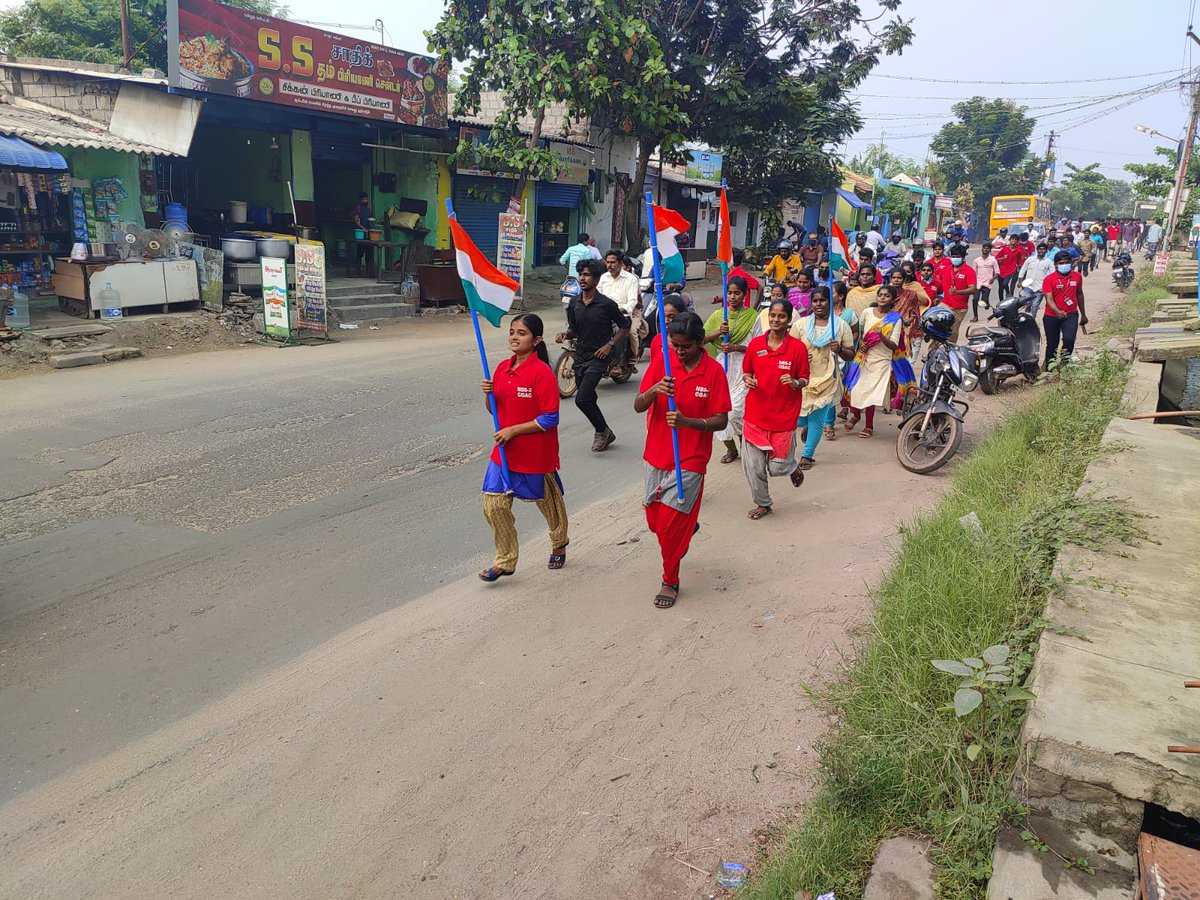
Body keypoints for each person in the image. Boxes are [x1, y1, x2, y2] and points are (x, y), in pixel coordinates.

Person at [635, 311, 731, 609]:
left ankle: (670, 578)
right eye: (674, 345)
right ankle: (685, 530)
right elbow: (638, 405)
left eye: (685, 346)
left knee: (668, 528)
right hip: (656, 454)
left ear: (700, 342)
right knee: (655, 522)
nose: (678, 351)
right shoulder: (662, 363)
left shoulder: (713, 372)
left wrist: (689, 422)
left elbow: (720, 420)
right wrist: (654, 390)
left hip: (690, 459)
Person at [478, 314, 569, 582]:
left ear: (536, 340)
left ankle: (559, 540)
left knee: (549, 504)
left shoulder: (541, 373)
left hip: (535, 454)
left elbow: (551, 418)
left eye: (522, 333)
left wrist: (514, 430)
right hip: (504, 453)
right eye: (512, 332)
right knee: (493, 505)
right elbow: (492, 410)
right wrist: (488, 394)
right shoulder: (501, 369)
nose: (514, 337)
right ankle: (505, 560)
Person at [740, 299, 810, 519]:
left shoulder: (797, 349)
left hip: (784, 417)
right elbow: (747, 371)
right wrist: (748, 379)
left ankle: (792, 467)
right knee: (754, 467)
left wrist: (795, 382)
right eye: (772, 315)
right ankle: (763, 503)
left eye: (781, 316)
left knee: (777, 467)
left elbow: (805, 379)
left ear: (789, 320)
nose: (775, 320)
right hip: (754, 415)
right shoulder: (755, 345)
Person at [556, 258, 631, 452]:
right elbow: (574, 329)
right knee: (588, 398)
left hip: (599, 357)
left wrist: (610, 345)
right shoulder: (574, 303)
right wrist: (565, 334)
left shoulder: (606, 304)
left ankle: (601, 431)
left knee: (582, 399)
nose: (582, 278)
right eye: (581, 274)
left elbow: (625, 326)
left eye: (587, 275)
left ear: (596, 280)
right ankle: (606, 431)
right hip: (581, 356)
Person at [843, 284, 916, 438]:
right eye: (880, 295)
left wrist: (881, 335)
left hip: (881, 360)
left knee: (871, 393)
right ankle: (856, 415)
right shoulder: (867, 312)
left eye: (887, 296)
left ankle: (869, 426)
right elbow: (862, 333)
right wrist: (862, 344)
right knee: (855, 388)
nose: (883, 298)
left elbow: (894, 344)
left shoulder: (895, 319)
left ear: (893, 299)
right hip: (864, 356)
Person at [795, 285, 855, 468]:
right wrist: (801, 356)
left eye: (823, 300)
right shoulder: (801, 325)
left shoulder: (840, 325)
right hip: (803, 378)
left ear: (831, 301)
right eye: (815, 300)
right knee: (800, 418)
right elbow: (788, 351)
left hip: (828, 378)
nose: (818, 304)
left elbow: (851, 354)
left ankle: (807, 455)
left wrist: (840, 349)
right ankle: (808, 426)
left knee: (817, 418)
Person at [703, 275, 757, 464]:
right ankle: (731, 449)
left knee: (735, 412)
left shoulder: (752, 316)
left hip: (744, 368)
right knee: (717, 412)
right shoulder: (719, 315)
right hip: (721, 366)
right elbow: (700, 339)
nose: (732, 297)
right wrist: (719, 332)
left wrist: (736, 348)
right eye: (729, 293)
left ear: (744, 294)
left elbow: (760, 347)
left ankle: (745, 447)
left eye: (737, 293)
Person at [1041, 251, 1088, 369]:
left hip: (1071, 315)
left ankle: (1063, 366)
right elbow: (1049, 299)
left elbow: (1079, 295)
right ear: (1056, 264)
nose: (1064, 265)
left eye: (1067, 262)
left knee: (1069, 339)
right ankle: (1049, 369)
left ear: (1071, 263)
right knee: (1052, 344)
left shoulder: (1077, 276)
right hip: (1051, 316)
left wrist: (1083, 314)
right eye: (1061, 263)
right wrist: (1057, 311)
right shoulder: (1049, 279)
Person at [600, 249, 645, 361]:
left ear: (620, 263)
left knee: (620, 332)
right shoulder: (604, 277)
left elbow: (633, 301)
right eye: (607, 262)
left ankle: (619, 362)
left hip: (622, 315)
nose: (609, 265)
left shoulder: (631, 279)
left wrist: (623, 309)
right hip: (604, 314)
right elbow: (597, 294)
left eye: (613, 262)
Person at [938, 244, 977, 342]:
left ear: (963, 257)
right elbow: (939, 284)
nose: (955, 259)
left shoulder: (969, 271)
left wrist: (958, 292)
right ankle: (932, 352)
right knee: (938, 329)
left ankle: (950, 352)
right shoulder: (946, 269)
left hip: (959, 308)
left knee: (952, 332)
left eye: (958, 257)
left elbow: (973, 289)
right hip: (945, 304)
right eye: (953, 256)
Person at [971, 242, 1000, 322]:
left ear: (990, 250)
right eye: (984, 248)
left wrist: (993, 279)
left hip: (987, 283)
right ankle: (975, 316)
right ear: (982, 249)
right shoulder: (976, 260)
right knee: (975, 299)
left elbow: (997, 272)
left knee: (984, 300)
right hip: (978, 282)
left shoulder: (993, 260)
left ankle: (987, 303)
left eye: (988, 248)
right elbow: (973, 272)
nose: (986, 249)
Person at [993, 234, 1020, 303]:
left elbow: (1019, 261)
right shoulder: (1004, 249)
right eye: (1012, 239)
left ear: (1017, 241)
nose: (1013, 240)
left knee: (1005, 284)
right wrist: (1002, 258)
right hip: (1002, 269)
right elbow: (996, 258)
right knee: (1001, 287)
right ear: (1010, 240)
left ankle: (1008, 293)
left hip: (1011, 270)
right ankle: (1001, 302)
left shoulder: (1018, 251)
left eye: (1015, 239)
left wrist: (1018, 267)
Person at [353, 191, 373, 276]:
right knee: (360, 253)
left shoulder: (368, 209)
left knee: (369, 253)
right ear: (360, 200)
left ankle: (368, 272)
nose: (365, 201)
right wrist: (364, 229)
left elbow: (370, 219)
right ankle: (357, 271)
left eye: (366, 199)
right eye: (363, 199)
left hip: (368, 233)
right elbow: (356, 221)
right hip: (360, 233)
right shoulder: (358, 209)